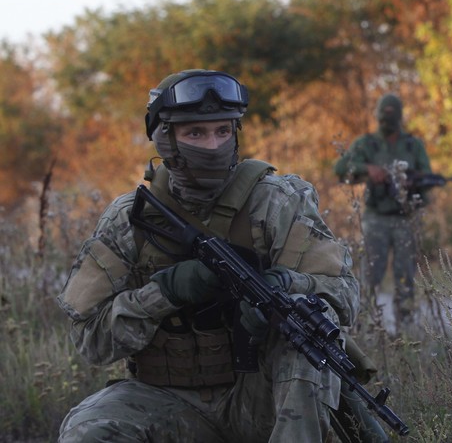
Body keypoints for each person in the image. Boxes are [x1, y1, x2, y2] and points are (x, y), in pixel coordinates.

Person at [56, 69, 361, 442]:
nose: (214, 146)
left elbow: (344, 294)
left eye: (223, 131)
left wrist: (287, 286)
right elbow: (90, 341)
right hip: (167, 401)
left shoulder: (276, 202)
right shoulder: (130, 219)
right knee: (88, 433)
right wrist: (164, 294)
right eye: (195, 133)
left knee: (306, 321)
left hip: (261, 400)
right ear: (166, 140)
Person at [334, 93, 432, 326]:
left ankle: (405, 329)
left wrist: (411, 181)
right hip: (375, 217)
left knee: (405, 275)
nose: (386, 124)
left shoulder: (413, 145)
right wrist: (369, 169)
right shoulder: (366, 143)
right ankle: (364, 325)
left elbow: (427, 175)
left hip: (405, 218)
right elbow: (340, 167)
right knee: (370, 274)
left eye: (390, 119)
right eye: (383, 119)